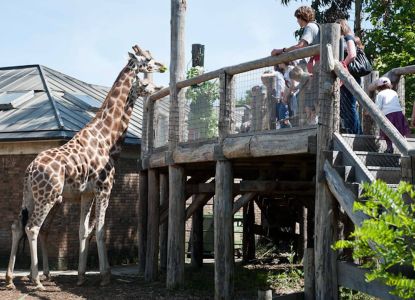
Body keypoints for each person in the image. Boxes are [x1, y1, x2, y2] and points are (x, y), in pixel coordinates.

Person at [271, 6, 320, 73]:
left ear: (302, 16)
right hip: (318, 65)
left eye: (297, 18)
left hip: (318, 66)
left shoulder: (310, 27)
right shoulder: (315, 26)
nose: (297, 21)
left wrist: (282, 50)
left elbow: (300, 46)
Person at [337, 19, 362, 135]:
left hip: (349, 76)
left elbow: (352, 54)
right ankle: (352, 131)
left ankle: (356, 134)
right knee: (346, 107)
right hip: (348, 76)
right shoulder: (345, 39)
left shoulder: (348, 37)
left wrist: (342, 65)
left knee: (350, 107)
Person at [375, 77, 410, 153]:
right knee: (400, 130)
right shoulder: (394, 93)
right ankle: (405, 148)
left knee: (387, 131)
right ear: (389, 85)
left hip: (388, 115)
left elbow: (378, 107)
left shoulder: (380, 94)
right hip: (398, 113)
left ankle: (389, 148)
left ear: (379, 87)